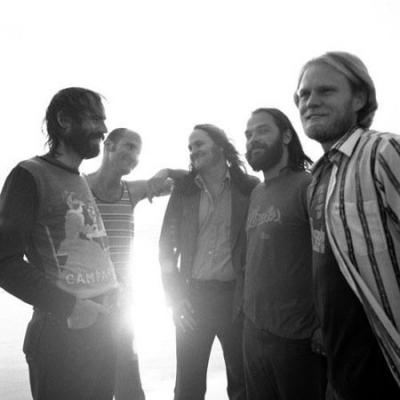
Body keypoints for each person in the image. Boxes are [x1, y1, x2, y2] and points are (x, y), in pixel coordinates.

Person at [0, 87, 120, 400]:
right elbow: (4, 261)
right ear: (64, 120)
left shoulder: (77, 177)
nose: (104, 128)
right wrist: (70, 307)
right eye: (94, 119)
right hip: (61, 337)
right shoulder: (28, 175)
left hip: (102, 330)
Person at [294, 51, 400, 399]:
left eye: (325, 91)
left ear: (359, 98)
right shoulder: (317, 178)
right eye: (303, 95)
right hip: (342, 376)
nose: (310, 101)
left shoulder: (384, 152)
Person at [159, 124, 258, 400]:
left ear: (220, 146)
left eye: (199, 144)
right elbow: (166, 248)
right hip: (193, 299)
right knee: (188, 387)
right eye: (190, 147)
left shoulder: (249, 188)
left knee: (242, 383)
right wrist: (175, 298)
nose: (193, 151)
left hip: (235, 300)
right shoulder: (184, 191)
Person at [86, 127, 182, 400]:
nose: (134, 155)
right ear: (109, 145)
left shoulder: (132, 191)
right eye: (129, 146)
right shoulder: (79, 187)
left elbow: (190, 182)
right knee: (89, 384)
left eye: (138, 151)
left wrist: (166, 171)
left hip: (122, 303)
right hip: (86, 300)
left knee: (129, 387)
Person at [242, 107, 326, 399]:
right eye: (248, 134)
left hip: (298, 337)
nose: (253, 139)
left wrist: (324, 325)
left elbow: (332, 260)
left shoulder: (309, 185)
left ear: (287, 136)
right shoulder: (257, 192)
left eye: (262, 130)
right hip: (253, 332)